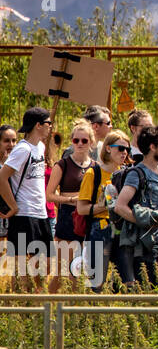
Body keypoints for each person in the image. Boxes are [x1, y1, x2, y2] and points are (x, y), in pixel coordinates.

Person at [112, 125, 158, 287]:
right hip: (148, 242)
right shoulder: (137, 173)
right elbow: (120, 206)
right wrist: (142, 220)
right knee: (148, 288)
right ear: (152, 147)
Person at [0, 107, 54, 286]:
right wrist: (13, 206)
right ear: (38, 125)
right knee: (22, 265)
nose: (50, 126)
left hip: (41, 213)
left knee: (45, 264)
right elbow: (2, 177)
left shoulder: (40, 146)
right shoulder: (22, 149)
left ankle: (37, 301)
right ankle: (22, 305)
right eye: (48, 123)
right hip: (24, 212)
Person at [76, 130, 131, 291]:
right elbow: (82, 208)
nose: (124, 153)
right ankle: (94, 313)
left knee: (127, 282)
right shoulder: (94, 173)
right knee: (97, 283)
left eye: (127, 149)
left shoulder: (127, 173)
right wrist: (104, 205)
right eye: (120, 148)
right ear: (108, 148)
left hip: (123, 229)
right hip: (100, 228)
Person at [47, 118, 94, 292]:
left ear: (91, 142)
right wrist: (70, 200)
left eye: (84, 140)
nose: (80, 144)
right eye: (76, 140)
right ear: (72, 142)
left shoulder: (94, 166)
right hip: (67, 217)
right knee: (61, 273)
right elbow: (50, 195)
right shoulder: (63, 164)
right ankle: (45, 311)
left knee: (80, 272)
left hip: (87, 219)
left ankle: (74, 313)